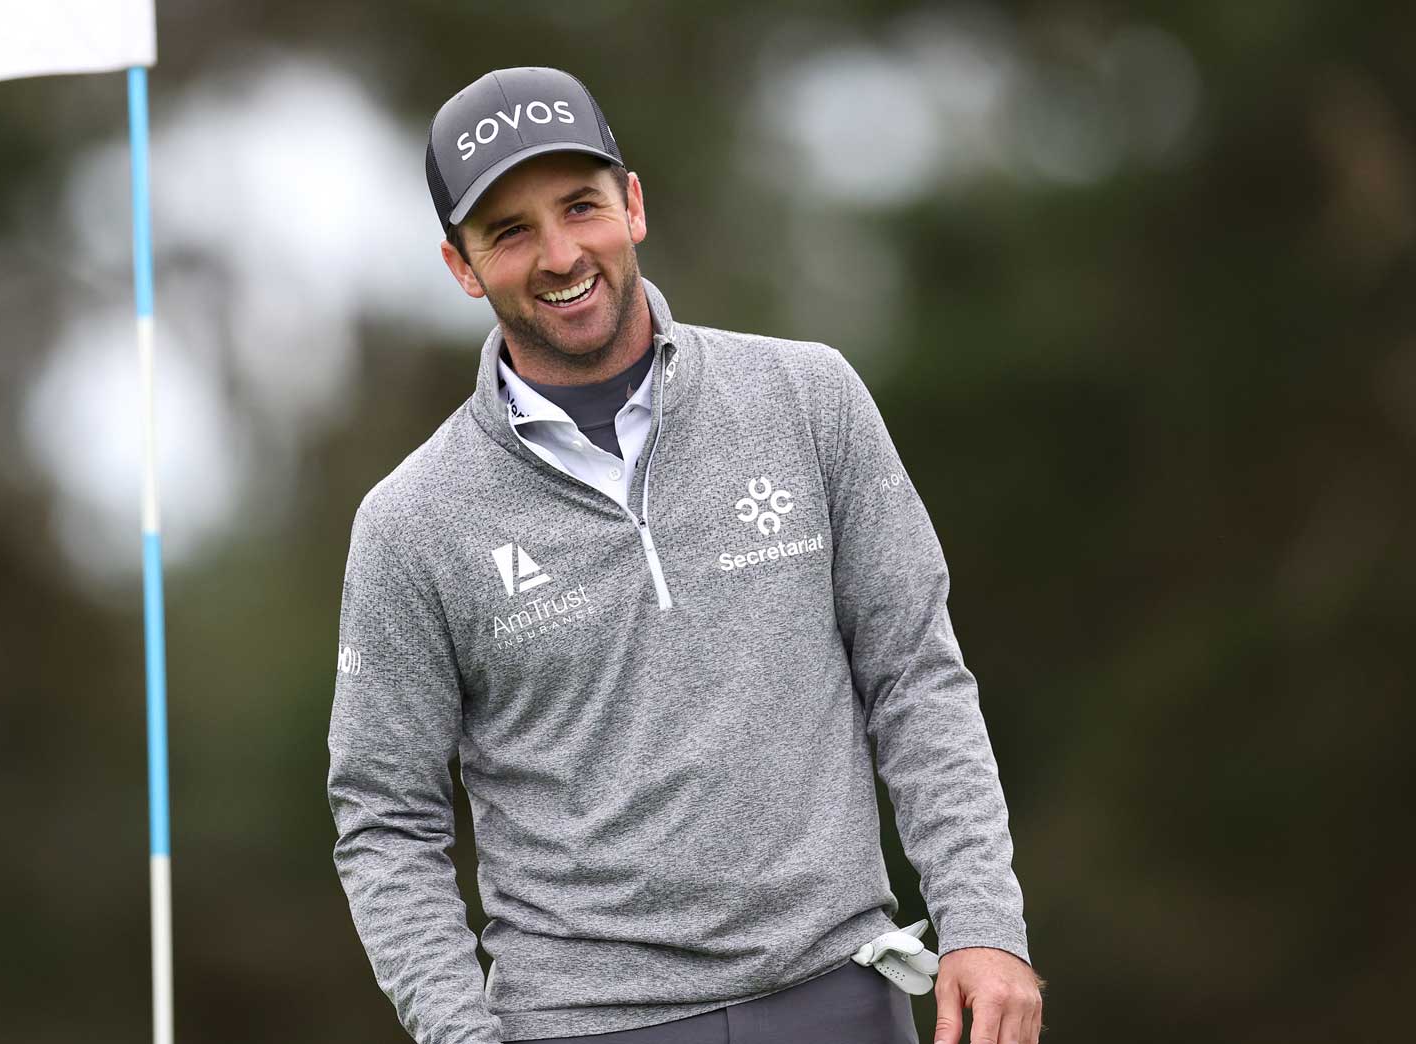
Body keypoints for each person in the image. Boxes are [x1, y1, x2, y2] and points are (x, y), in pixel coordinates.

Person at [327, 66, 1044, 1044]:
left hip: (839, 993)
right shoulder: (411, 522)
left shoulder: (808, 398)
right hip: (581, 1024)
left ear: (632, 204)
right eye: (509, 231)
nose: (559, 254)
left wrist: (983, 923)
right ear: (461, 265)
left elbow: (914, 675)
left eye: (580, 206)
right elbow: (386, 819)